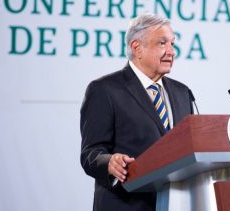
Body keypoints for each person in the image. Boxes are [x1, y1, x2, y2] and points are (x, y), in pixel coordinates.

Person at [80, 13, 193, 211]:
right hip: (126, 205)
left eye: (172, 44)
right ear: (137, 48)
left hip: (176, 204)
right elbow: (91, 153)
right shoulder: (105, 90)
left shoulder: (182, 92)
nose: (171, 51)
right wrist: (109, 162)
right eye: (162, 43)